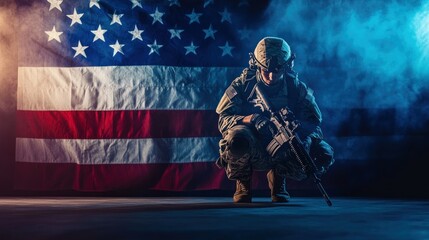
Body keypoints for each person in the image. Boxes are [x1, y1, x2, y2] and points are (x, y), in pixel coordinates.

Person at [215, 36, 334, 203]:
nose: (271, 76)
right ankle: (243, 184)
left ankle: (279, 182)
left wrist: (300, 130)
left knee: (322, 152)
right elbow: (223, 119)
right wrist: (252, 119)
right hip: (252, 142)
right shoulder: (244, 84)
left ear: (287, 66)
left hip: (283, 146)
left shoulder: (296, 87)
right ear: (255, 65)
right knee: (236, 139)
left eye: (277, 70)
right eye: (265, 70)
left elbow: (315, 122)